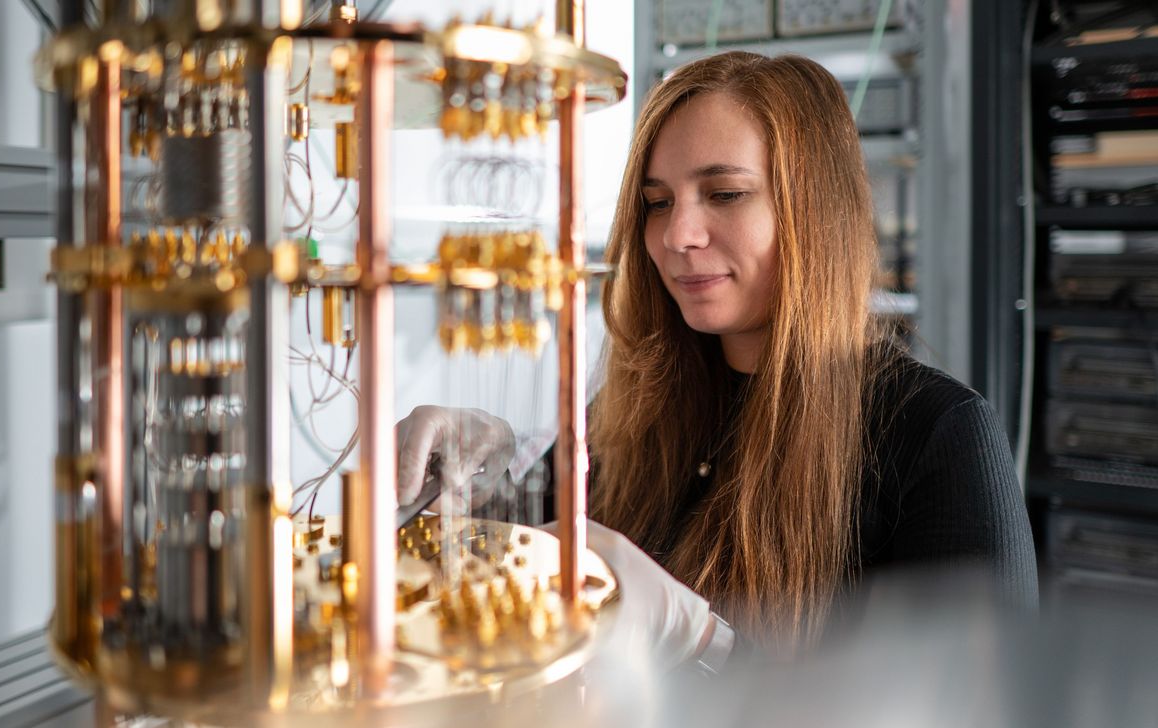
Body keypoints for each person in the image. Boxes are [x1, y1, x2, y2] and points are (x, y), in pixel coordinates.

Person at [396, 51, 1037, 667]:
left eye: (725, 193)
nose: (678, 235)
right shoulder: (637, 407)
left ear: (814, 209)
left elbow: (983, 707)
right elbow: (526, 568)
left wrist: (704, 645)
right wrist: (476, 484)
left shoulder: (938, 435)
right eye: (657, 202)